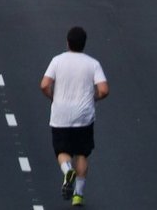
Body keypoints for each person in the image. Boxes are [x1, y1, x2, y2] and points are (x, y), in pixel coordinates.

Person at [40, 26, 108, 205]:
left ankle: (67, 170)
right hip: (84, 116)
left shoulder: (57, 61)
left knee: (62, 151)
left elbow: (44, 85)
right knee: (82, 154)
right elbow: (104, 89)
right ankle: (78, 194)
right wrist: (94, 98)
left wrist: (53, 97)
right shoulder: (93, 64)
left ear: (68, 42)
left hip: (60, 114)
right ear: (84, 44)